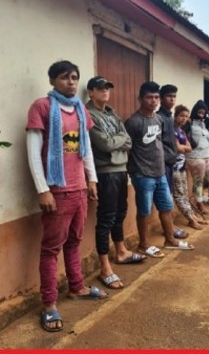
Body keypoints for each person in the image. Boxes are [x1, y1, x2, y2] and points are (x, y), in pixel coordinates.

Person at [26, 60, 108, 332]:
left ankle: (77, 287)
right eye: (64, 77)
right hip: (57, 192)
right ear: (52, 81)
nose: (71, 82)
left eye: (74, 77)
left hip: (79, 189)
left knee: (74, 241)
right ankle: (49, 304)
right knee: (51, 249)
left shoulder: (81, 110)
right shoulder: (43, 107)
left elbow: (85, 151)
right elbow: (33, 151)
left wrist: (92, 179)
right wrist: (43, 189)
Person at [86, 76, 147, 290]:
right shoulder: (88, 115)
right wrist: (118, 141)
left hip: (121, 170)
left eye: (107, 89)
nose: (105, 92)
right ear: (91, 92)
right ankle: (104, 267)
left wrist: (117, 141)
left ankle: (121, 251)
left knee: (120, 212)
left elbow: (128, 140)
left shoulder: (112, 113)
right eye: (100, 89)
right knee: (106, 217)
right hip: (105, 172)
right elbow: (104, 144)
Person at [125, 81, 194, 258]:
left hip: (160, 172)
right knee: (144, 211)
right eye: (149, 97)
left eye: (156, 97)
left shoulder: (159, 119)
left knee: (166, 207)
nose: (153, 101)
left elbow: (161, 143)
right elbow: (127, 149)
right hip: (143, 175)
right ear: (140, 98)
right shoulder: (133, 122)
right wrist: (134, 172)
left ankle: (169, 240)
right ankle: (143, 244)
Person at [157, 84, 188, 239]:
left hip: (171, 163)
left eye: (174, 96)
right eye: (169, 96)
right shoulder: (159, 117)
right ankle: (169, 228)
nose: (172, 99)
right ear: (162, 98)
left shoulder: (169, 116)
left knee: (169, 196)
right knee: (166, 199)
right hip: (162, 164)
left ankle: (170, 226)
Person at [172, 104, 207, 229]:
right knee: (179, 194)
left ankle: (192, 216)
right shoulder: (172, 130)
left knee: (185, 193)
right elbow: (179, 148)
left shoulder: (181, 131)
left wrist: (184, 148)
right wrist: (184, 148)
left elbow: (188, 147)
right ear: (175, 116)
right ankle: (191, 219)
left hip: (181, 166)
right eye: (181, 116)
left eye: (186, 116)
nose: (184, 119)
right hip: (174, 167)